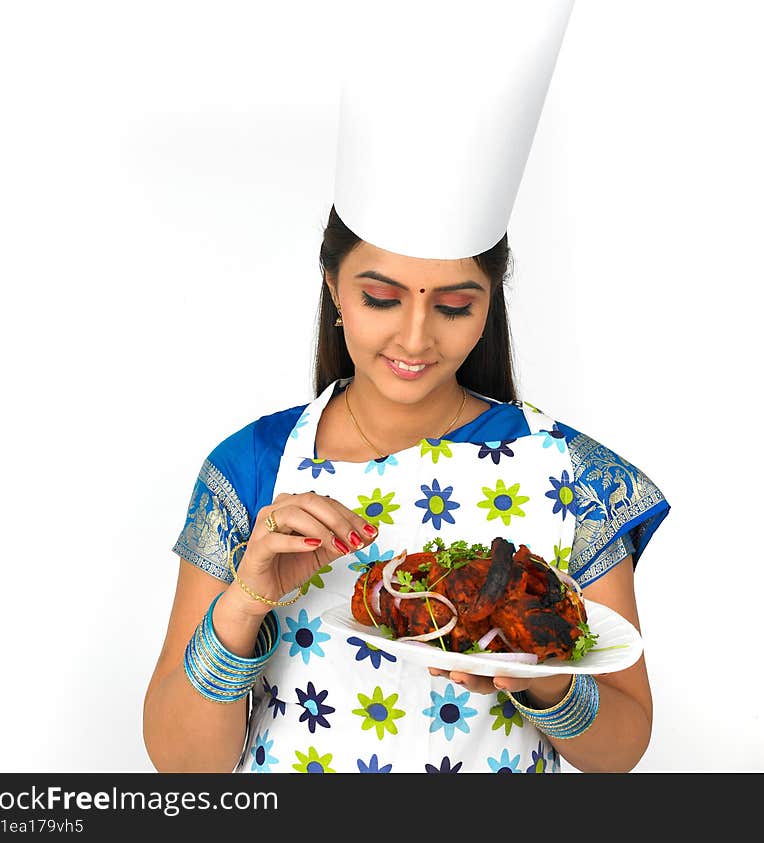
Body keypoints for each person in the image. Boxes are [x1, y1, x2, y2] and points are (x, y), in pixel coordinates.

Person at [142, 1, 671, 773]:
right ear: (333, 287)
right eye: (381, 297)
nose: (416, 338)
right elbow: (182, 765)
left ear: (491, 301)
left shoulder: (574, 477)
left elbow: (622, 748)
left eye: (455, 305)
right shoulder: (252, 465)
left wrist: (547, 679)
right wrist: (243, 603)